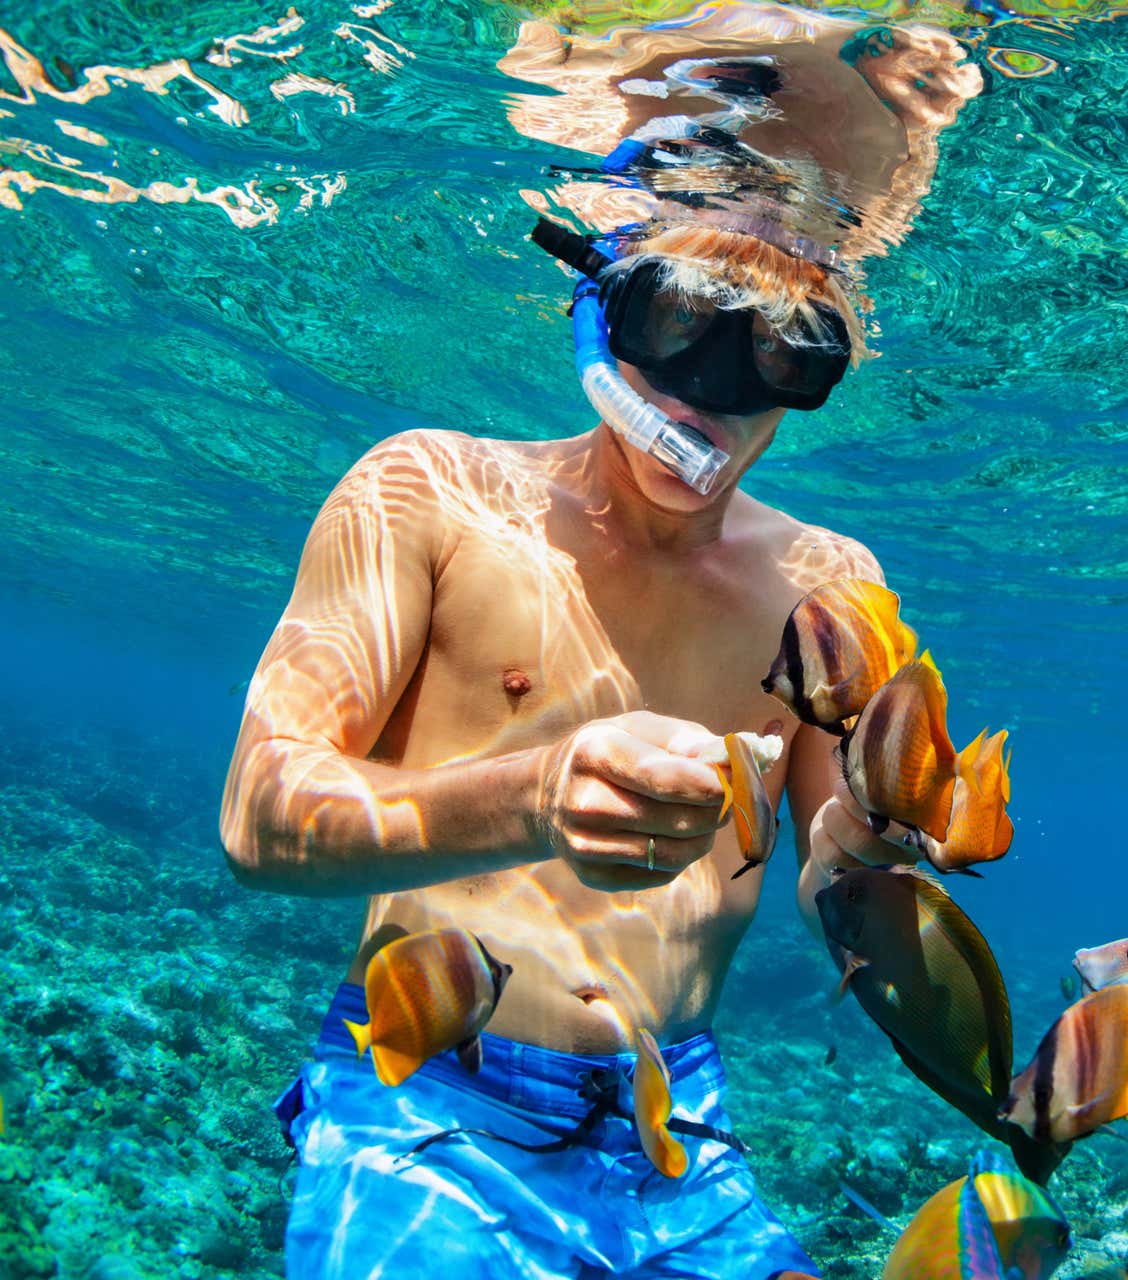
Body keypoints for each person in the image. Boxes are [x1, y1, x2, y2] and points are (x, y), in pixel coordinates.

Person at [219, 11, 981, 1278]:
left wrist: (881, 840)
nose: (711, 394)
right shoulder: (431, 493)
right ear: (599, 310)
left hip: (675, 1124)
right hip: (422, 1101)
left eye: (784, 356)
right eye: (672, 321)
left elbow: (831, 865)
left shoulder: (830, 582)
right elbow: (260, 812)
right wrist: (535, 793)